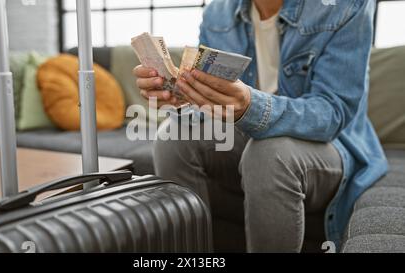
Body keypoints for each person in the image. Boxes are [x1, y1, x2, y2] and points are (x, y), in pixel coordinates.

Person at [133, 0, 387, 252]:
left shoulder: (346, 6)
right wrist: (184, 98)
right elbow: (215, 104)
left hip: (331, 144)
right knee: (172, 137)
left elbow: (332, 113)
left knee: (268, 154)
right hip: (246, 132)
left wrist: (252, 106)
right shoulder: (217, 13)